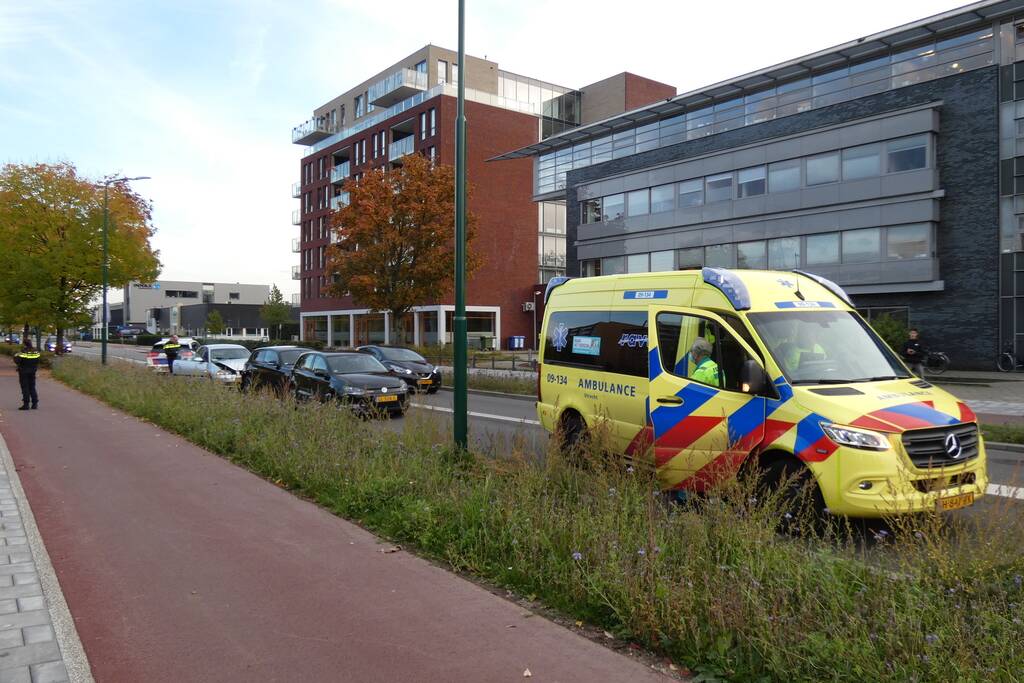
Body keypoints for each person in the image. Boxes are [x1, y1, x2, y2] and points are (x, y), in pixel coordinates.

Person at [13, 340, 40, 410]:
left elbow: (17, 360)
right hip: (33, 371)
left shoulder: (23, 352)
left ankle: (26, 404)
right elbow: (38, 360)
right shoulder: (36, 351)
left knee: (25, 387)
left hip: (23, 371)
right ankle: (35, 404)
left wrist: (16, 355)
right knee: (32, 387)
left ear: (25, 344)